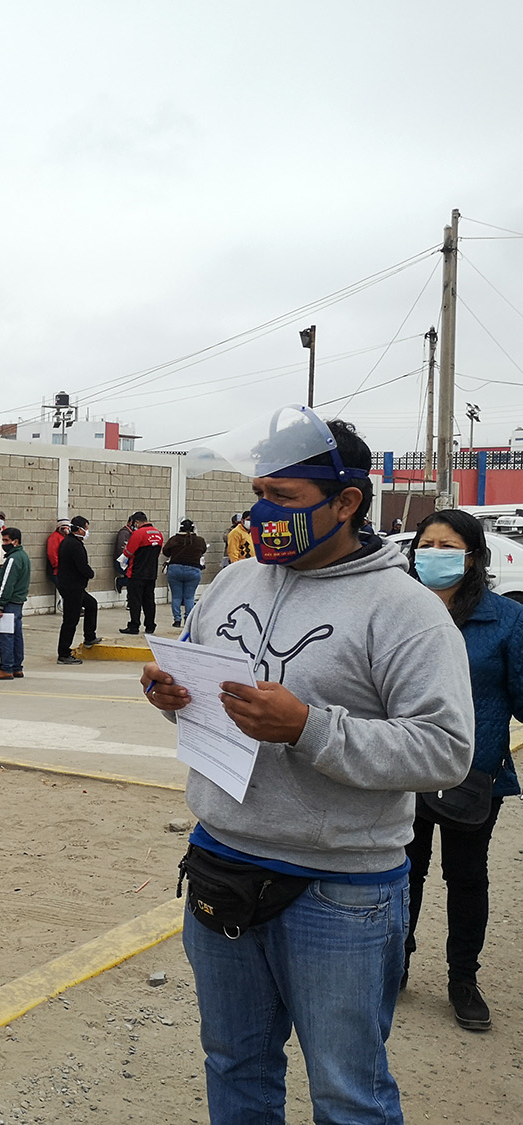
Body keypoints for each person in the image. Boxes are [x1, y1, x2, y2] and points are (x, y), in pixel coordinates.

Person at [142, 409, 473, 1125]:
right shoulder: (232, 582)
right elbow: (200, 685)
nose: (262, 513)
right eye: (259, 491)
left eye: (284, 499)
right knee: (235, 1067)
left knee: (348, 1094)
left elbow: (447, 748)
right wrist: (170, 695)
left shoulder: (406, 611)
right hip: (221, 862)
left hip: (341, 891)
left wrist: (309, 728)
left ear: (347, 502)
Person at [403, 509, 523, 1032]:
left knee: (467, 878)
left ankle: (462, 979)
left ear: (472, 556)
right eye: (426, 544)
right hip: (402, 768)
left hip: (474, 774)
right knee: (403, 872)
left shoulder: (506, 619)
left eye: (448, 546)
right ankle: (394, 964)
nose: (434, 553)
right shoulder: (397, 609)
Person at [55, 516, 99, 664]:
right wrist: (90, 573)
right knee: (70, 620)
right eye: (86, 528)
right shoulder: (74, 545)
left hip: (73, 586)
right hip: (72, 587)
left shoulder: (70, 542)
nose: (87, 531)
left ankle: (89, 636)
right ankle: (63, 653)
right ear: (79, 529)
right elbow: (82, 566)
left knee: (91, 604)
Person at [0, 526, 29, 680]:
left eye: (6, 540)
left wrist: (0, 604)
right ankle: (17, 667)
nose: (3, 543)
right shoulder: (23, 556)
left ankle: (6, 668)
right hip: (17, 602)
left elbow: (6, 583)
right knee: (17, 635)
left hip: (9, 602)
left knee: (5, 636)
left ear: (15, 542)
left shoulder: (12, 559)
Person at [119, 511, 163, 635]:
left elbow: (128, 552)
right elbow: (158, 553)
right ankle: (150, 626)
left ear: (137, 522)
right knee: (149, 600)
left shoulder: (138, 534)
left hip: (137, 572)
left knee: (135, 601)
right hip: (151, 573)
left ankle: (134, 626)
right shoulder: (158, 534)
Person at [163, 518, 207, 629]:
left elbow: (165, 551)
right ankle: (188, 620)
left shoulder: (174, 539)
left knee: (176, 597)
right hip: (193, 570)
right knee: (189, 597)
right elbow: (203, 550)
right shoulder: (199, 540)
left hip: (175, 569)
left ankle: (177, 620)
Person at [113, 516, 136, 592]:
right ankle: (120, 582)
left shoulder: (134, 533)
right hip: (122, 561)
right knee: (132, 578)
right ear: (129, 523)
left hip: (130, 561)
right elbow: (121, 548)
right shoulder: (124, 533)